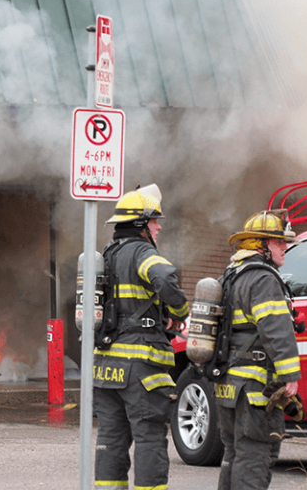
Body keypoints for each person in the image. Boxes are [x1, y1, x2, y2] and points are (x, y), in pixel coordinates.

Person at [94, 184, 189, 490]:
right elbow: (164, 277)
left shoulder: (107, 256)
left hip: (105, 365)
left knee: (111, 438)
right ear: (141, 225)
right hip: (140, 363)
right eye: (154, 222)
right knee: (149, 437)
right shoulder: (141, 251)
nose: (158, 227)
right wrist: (180, 310)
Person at [215, 210, 302, 490]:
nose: (285, 247)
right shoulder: (263, 279)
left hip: (228, 386)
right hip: (254, 388)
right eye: (279, 242)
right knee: (255, 455)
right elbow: (276, 330)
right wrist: (290, 375)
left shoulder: (229, 276)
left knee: (234, 453)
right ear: (261, 245)